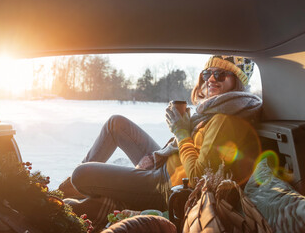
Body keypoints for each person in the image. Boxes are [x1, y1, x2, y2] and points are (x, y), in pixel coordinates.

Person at [59, 55, 263, 229]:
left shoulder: (225, 120)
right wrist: (179, 134)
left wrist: (182, 133)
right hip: (168, 165)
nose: (211, 79)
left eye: (220, 74)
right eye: (207, 73)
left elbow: (197, 178)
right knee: (116, 124)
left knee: (81, 175)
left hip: (167, 187)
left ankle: (71, 196)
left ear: (238, 80)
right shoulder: (213, 110)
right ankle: (68, 193)